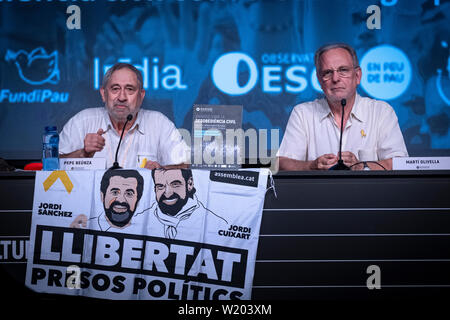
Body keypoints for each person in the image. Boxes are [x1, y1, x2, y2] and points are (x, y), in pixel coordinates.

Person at [277, 43, 408, 171]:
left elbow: (400, 163)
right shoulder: (303, 113)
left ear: (357, 76)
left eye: (343, 70)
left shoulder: (381, 112)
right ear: (319, 80)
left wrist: (361, 166)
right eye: (327, 72)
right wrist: (311, 166)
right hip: (318, 192)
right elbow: (282, 163)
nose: (335, 78)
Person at [59, 62, 189, 169]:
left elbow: (184, 165)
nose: (121, 97)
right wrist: (83, 153)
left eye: (130, 89)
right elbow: (52, 167)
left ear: (141, 95)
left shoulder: (159, 123)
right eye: (115, 89)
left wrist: (161, 170)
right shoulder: (82, 121)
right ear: (104, 94)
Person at [149, 168, 227, 240]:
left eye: (175, 184)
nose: (167, 193)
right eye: (160, 186)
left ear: (190, 184)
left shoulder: (218, 225)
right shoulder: (139, 218)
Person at [70, 169, 144, 231]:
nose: (121, 200)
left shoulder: (144, 229)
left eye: (129, 194)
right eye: (115, 192)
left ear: (138, 200)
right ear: (102, 196)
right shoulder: (84, 226)